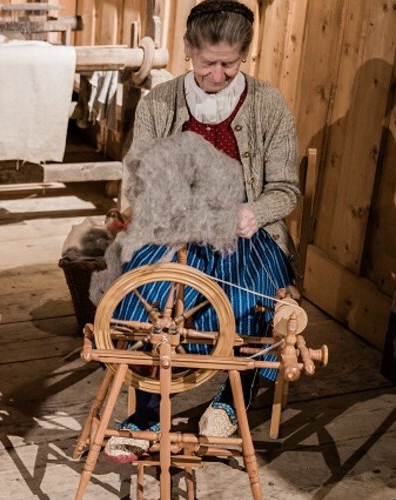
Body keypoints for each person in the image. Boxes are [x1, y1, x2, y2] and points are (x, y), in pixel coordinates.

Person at [103, 0, 299, 462]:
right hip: (173, 229)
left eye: (229, 65)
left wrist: (254, 212)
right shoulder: (159, 103)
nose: (217, 74)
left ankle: (232, 401)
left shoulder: (268, 104)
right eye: (208, 62)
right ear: (188, 50)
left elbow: (286, 188)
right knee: (145, 300)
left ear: (245, 57)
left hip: (246, 236)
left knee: (253, 300)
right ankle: (147, 411)